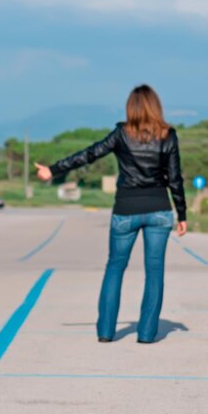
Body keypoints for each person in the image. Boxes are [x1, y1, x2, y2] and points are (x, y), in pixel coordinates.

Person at [35, 84, 187, 343]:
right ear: (156, 106)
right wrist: (182, 214)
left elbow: (89, 154)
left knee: (115, 267)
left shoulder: (121, 134)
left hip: (125, 210)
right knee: (155, 271)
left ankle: (106, 332)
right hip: (159, 210)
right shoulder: (167, 135)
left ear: (131, 107)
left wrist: (53, 169)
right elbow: (175, 178)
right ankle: (147, 334)